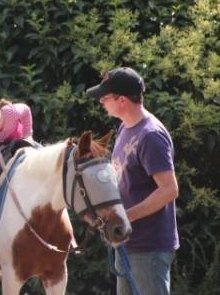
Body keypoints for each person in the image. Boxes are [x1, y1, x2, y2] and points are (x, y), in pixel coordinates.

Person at [87, 67, 179, 295]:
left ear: (122, 100)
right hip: (127, 242)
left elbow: (169, 190)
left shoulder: (150, 135)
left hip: (148, 246)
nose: (101, 101)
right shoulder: (126, 127)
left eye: (105, 97)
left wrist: (127, 216)